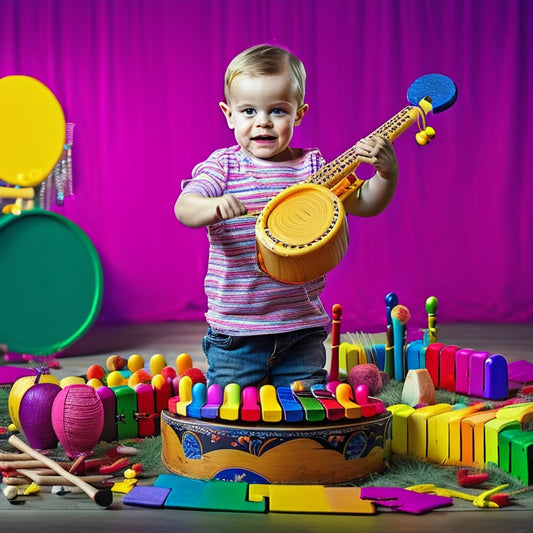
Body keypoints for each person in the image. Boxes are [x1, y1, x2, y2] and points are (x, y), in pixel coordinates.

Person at [174, 44, 398, 389]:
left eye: (277, 111)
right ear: (228, 114)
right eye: (248, 111)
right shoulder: (224, 166)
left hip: (300, 328)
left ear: (299, 114)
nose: (262, 121)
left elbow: (364, 202)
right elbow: (184, 206)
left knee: (304, 413)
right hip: (237, 331)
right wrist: (212, 207)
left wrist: (385, 175)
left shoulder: (312, 168)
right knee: (232, 414)